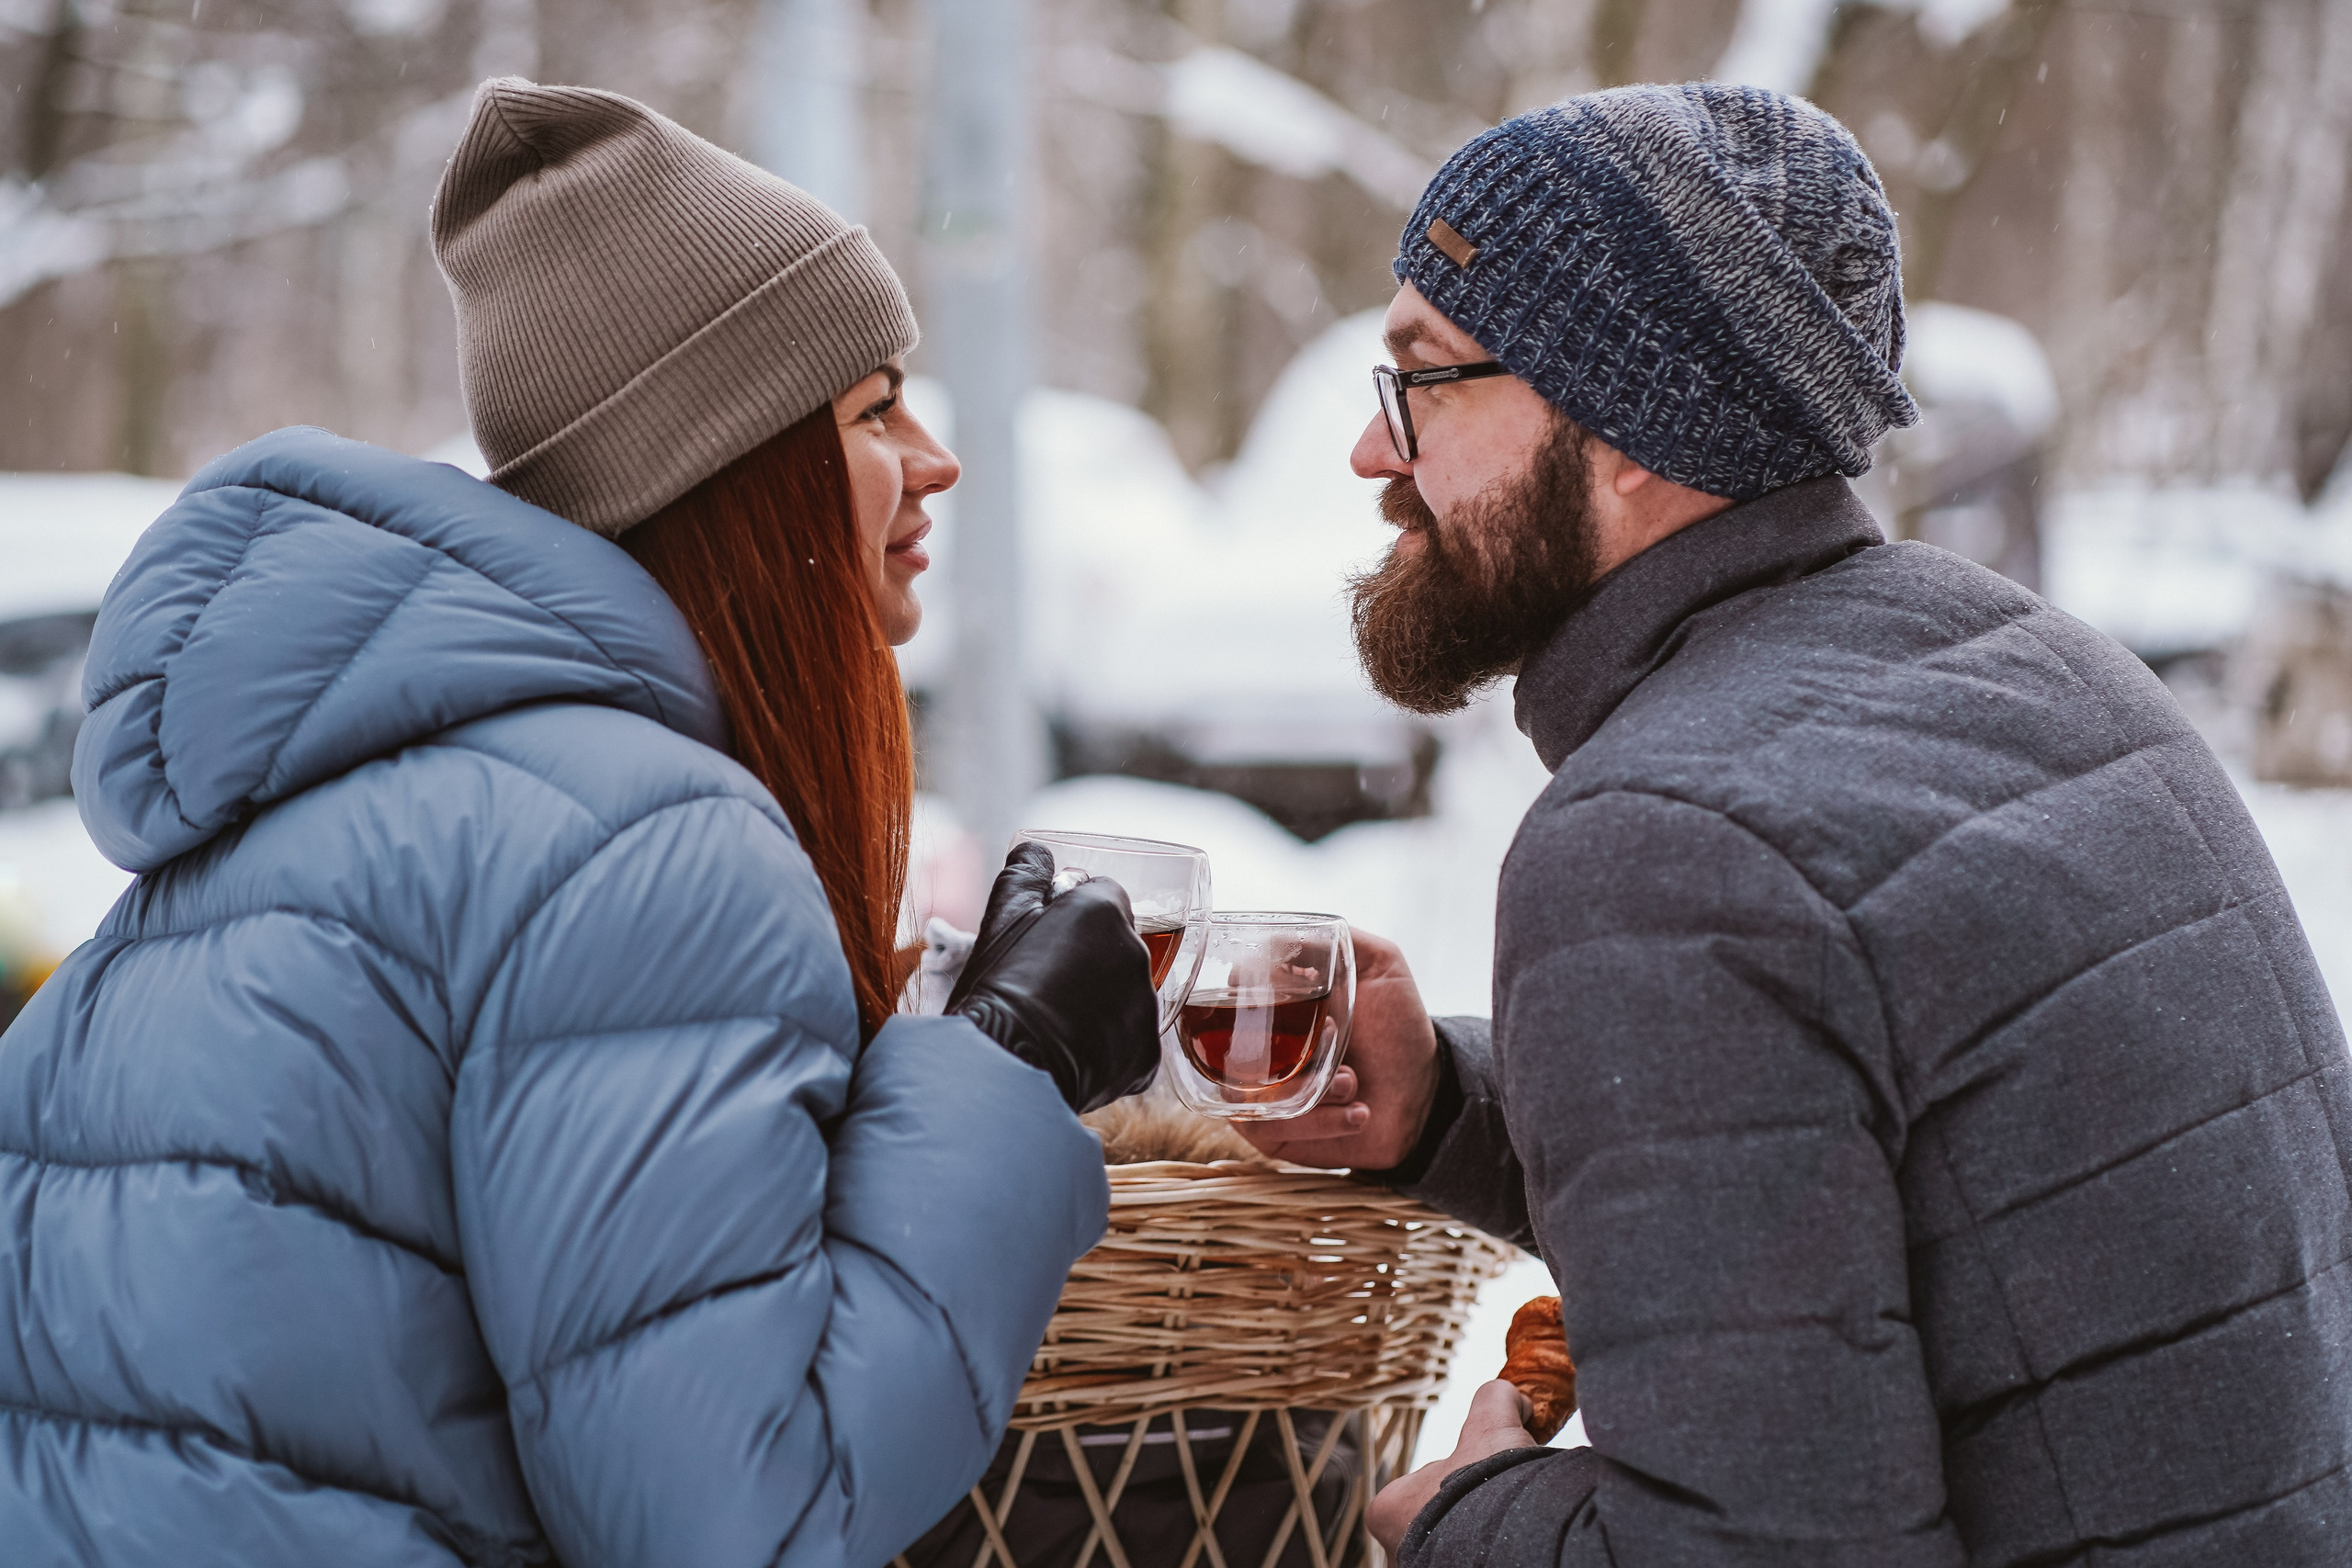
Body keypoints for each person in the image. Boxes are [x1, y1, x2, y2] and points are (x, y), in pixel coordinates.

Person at [0, 80, 1159, 1567]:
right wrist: (1010, 1066)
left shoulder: (337, 810)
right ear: (734, 475)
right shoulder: (646, 849)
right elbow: (738, 1519)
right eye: (873, 411)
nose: (935, 460)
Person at [1241, 83, 2352, 1566]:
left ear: (1629, 423)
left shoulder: (1662, 845)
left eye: (1426, 381)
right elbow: (1883, 1175)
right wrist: (1448, 1102)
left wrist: (1467, 1523)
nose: (1379, 457)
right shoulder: (2042, 668)